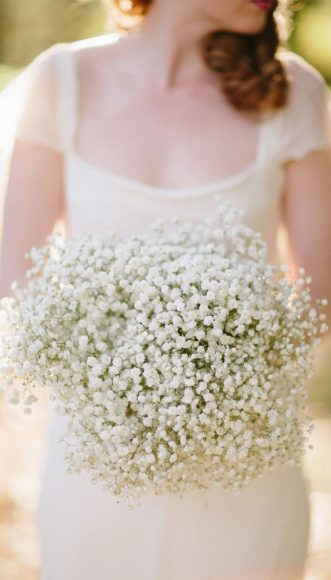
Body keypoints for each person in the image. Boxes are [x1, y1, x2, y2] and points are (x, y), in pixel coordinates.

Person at [0, 0, 330, 578]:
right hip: (99, 467)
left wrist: (213, 377)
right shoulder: (63, 82)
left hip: (243, 465)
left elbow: (318, 300)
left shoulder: (293, 93)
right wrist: (124, 386)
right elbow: (15, 285)